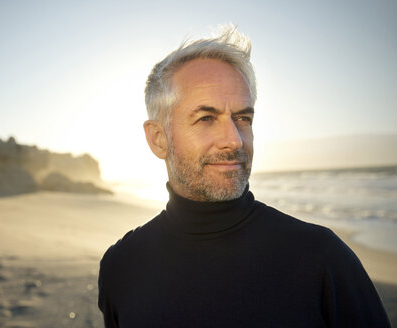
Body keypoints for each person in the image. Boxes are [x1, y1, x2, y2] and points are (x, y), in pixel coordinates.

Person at [98, 26, 390, 327]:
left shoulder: (321, 258)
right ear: (158, 139)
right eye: (206, 118)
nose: (234, 140)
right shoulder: (121, 266)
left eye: (242, 118)